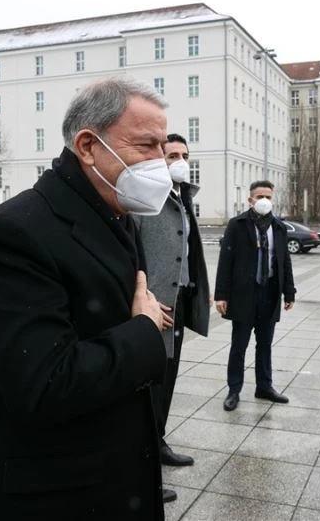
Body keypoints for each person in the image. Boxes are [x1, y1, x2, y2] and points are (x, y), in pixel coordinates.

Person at [0, 77, 174, 521]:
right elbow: (45, 386)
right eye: (146, 146)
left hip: (108, 480)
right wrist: (144, 331)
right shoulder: (14, 233)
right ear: (89, 146)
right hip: (50, 497)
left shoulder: (114, 211)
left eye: (163, 148)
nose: (161, 163)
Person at [132, 133, 209, 503]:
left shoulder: (184, 196)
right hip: (154, 309)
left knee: (167, 382)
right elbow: (133, 255)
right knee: (147, 391)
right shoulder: (146, 199)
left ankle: (158, 442)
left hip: (178, 305)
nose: (180, 160)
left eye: (185, 155)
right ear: (159, 159)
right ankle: (143, 473)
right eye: (172, 154)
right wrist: (143, 297)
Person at [215, 180, 295, 411]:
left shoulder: (278, 228)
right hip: (243, 295)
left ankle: (264, 386)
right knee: (239, 346)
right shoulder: (237, 225)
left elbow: (284, 262)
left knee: (265, 345)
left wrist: (289, 292)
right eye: (260, 196)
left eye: (268, 196)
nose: (264, 201)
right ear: (250, 200)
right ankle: (234, 390)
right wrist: (221, 295)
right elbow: (225, 261)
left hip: (269, 294)